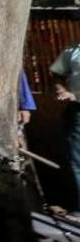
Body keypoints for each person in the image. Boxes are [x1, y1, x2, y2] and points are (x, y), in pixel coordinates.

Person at [51, 43, 80, 211]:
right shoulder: (72, 51)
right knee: (77, 161)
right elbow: (56, 74)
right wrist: (61, 89)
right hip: (77, 110)